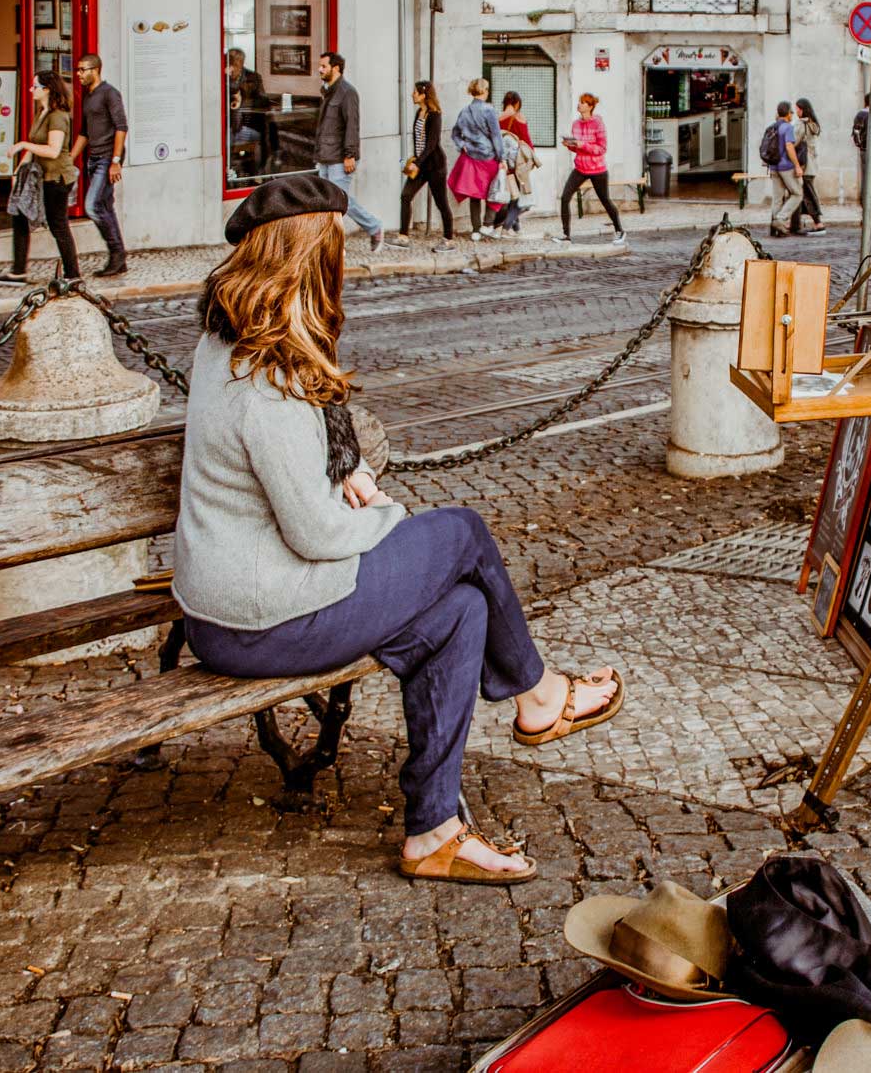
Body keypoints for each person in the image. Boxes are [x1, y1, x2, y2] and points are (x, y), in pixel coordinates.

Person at [172, 173, 623, 884]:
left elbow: (284, 463)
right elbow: (317, 534)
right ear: (310, 258)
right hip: (260, 618)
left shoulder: (228, 340)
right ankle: (538, 696)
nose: (343, 265)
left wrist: (337, 469)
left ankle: (433, 830)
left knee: (460, 611)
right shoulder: (267, 376)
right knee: (462, 535)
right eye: (337, 250)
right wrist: (384, 514)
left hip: (231, 606)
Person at [0, 70, 82, 285]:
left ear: (47, 89)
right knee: (20, 216)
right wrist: (19, 171)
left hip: (57, 178)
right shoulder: (41, 112)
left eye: (35, 87)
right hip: (39, 177)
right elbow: (34, 148)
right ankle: (18, 271)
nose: (32, 90)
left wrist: (23, 144)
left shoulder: (58, 116)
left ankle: (73, 275)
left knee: (58, 224)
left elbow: (52, 150)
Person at [314, 51, 385, 252]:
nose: (320, 69)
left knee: (338, 202)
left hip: (339, 157)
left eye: (324, 66)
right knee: (330, 203)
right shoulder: (327, 91)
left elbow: (352, 125)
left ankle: (372, 227)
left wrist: (349, 154)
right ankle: (335, 241)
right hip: (326, 156)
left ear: (336, 68)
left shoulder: (347, 92)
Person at [72, 54, 129, 278]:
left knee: (93, 206)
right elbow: (84, 132)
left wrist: (115, 161)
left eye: (82, 70)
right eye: (78, 70)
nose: (78, 74)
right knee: (105, 207)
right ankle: (118, 257)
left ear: (95, 70)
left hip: (107, 159)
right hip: (93, 158)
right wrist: (71, 157)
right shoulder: (88, 97)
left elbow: (121, 127)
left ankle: (117, 253)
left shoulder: (110, 93)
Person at [559, 92, 624, 246]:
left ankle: (620, 230)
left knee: (605, 200)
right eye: (579, 102)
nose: (579, 105)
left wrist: (583, 145)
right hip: (580, 168)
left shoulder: (598, 124)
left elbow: (602, 149)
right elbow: (578, 148)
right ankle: (566, 235)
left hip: (598, 169)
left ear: (590, 106)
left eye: (582, 102)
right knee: (564, 198)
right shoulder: (575, 124)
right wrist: (571, 145)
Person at [448, 78, 507, 241]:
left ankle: (475, 229)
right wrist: (502, 157)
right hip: (488, 157)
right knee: (493, 191)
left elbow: (454, 133)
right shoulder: (489, 110)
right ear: (484, 91)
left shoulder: (464, 111)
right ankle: (487, 224)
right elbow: (496, 136)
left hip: (471, 157)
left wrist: (462, 145)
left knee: (474, 194)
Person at [397, 80, 450, 248]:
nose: (412, 94)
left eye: (415, 92)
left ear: (423, 95)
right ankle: (403, 237)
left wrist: (417, 162)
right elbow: (418, 141)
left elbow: (432, 144)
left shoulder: (435, 115)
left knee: (441, 203)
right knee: (406, 196)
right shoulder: (419, 112)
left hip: (435, 166)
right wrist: (415, 161)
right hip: (420, 166)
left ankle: (449, 239)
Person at [496, 89, 539, 234]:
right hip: (518, 162)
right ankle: (506, 228)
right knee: (519, 197)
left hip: (503, 162)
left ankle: (517, 228)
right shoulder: (519, 117)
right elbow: (527, 141)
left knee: (513, 194)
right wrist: (532, 159)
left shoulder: (498, 118)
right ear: (517, 103)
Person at [759, 100, 803, 239]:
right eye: (791, 112)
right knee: (797, 193)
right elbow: (789, 147)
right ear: (787, 113)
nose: (792, 115)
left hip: (773, 166)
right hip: (785, 166)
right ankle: (781, 219)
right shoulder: (787, 127)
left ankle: (775, 227)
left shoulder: (773, 126)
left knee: (777, 198)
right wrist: (796, 165)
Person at [226, 47, 267, 171]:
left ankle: (242, 170)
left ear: (242, 63)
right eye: (231, 64)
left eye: (236, 64)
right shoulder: (222, 78)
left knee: (230, 141)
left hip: (248, 125)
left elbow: (263, 101)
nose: (233, 68)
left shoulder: (253, 78)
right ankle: (232, 169)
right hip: (229, 125)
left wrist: (242, 103)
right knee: (226, 140)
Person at [792, 98, 826, 234]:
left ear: (803, 109)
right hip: (811, 164)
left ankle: (818, 224)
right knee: (803, 193)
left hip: (804, 166)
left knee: (808, 194)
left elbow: (793, 142)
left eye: (798, 109)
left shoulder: (801, 125)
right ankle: (795, 224)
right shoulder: (813, 124)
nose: (796, 111)